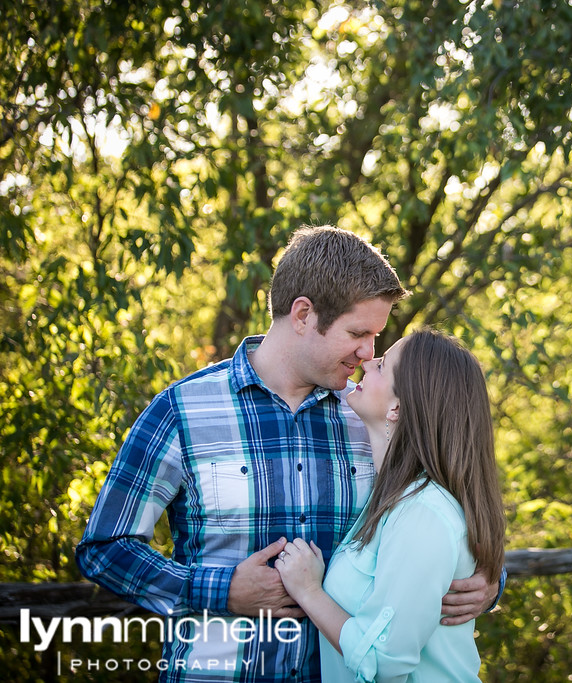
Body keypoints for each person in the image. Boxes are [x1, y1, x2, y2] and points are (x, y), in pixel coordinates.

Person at [76, 226, 501, 683]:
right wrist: (220, 590)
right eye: (358, 332)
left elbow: (445, 511)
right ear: (303, 314)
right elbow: (105, 547)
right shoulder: (183, 410)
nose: (367, 352)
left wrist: (487, 582)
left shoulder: (374, 417)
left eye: (376, 337)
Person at [275, 328, 505, 681]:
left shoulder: (423, 514)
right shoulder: (391, 498)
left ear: (397, 407)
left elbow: (383, 663)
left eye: (382, 365)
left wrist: (309, 592)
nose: (367, 362)